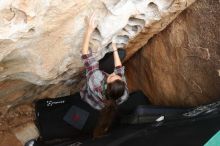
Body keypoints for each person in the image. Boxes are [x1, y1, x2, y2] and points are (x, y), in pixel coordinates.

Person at [80, 13, 129, 138]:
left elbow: (85, 54)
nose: (114, 74)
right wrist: (115, 49)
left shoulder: (96, 79)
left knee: (93, 65)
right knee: (121, 53)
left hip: (89, 91)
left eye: (112, 76)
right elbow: (119, 70)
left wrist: (89, 30)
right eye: (119, 78)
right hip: (97, 103)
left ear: (107, 83)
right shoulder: (122, 94)